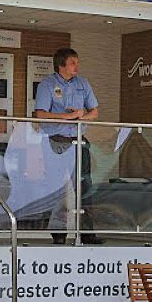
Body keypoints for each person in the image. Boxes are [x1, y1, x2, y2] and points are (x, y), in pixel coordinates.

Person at [31, 47, 103, 245]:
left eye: (77, 62)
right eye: (72, 63)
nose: (76, 66)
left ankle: (87, 233)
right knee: (58, 188)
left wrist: (81, 116)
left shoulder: (83, 83)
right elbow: (40, 114)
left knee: (84, 186)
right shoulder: (47, 84)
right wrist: (67, 116)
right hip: (56, 141)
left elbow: (94, 112)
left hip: (79, 140)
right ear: (61, 65)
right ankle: (58, 233)